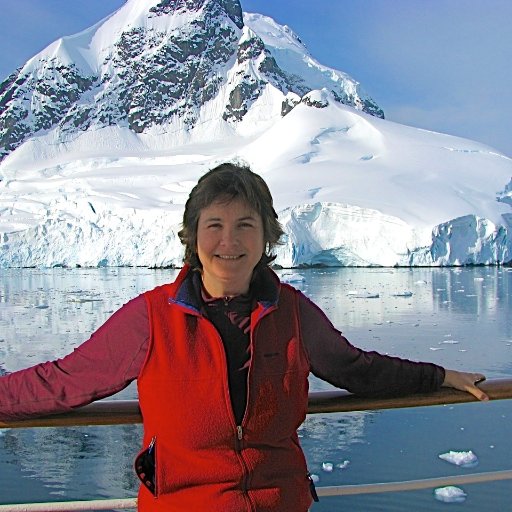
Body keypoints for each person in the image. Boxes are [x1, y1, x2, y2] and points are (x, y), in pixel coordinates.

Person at [0, 162, 488, 511]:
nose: (228, 242)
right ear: (192, 237)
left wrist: (439, 375)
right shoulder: (151, 318)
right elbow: (66, 379)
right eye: (214, 225)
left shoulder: (293, 312)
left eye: (245, 226)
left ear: (267, 238)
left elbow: (355, 368)